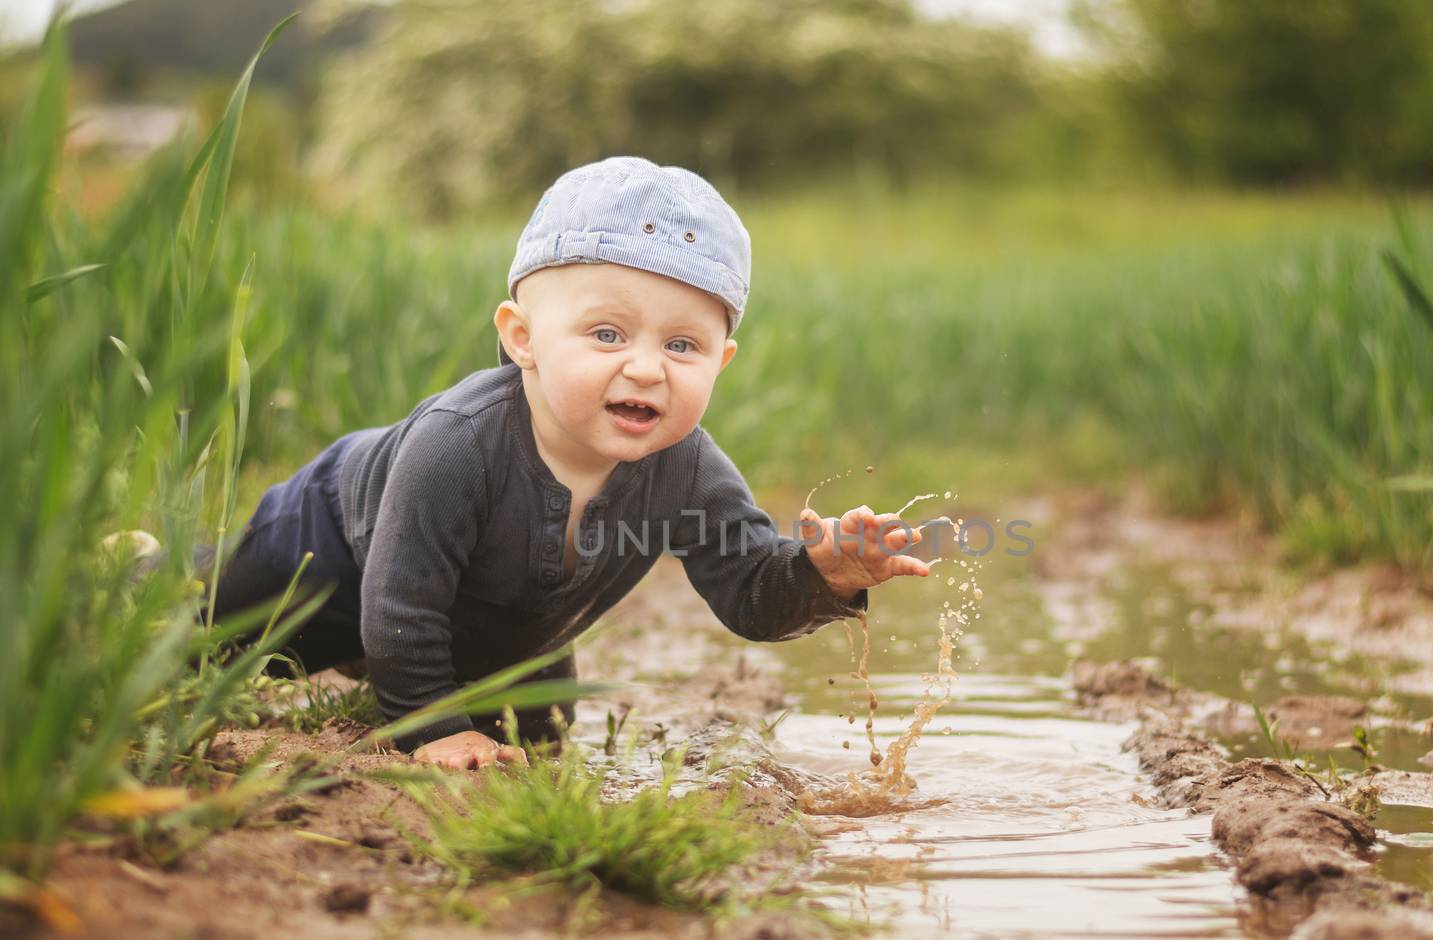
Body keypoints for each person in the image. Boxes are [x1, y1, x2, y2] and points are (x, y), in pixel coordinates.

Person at [209, 156, 931, 769]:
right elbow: (402, 597)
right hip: (323, 544)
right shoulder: (457, 443)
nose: (647, 368)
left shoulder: (687, 468)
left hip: (503, 612)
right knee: (213, 642)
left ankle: (394, 663)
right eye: (608, 333)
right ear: (523, 338)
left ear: (722, 362)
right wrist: (430, 727)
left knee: (541, 734)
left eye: (683, 346)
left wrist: (820, 572)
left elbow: (750, 590)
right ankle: (152, 566)